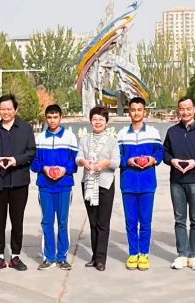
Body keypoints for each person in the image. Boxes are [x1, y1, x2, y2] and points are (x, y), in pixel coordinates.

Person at [0, 94, 38, 272]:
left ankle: (15, 256)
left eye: (9, 109)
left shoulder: (25, 128)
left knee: (17, 220)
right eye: (2, 109)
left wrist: (16, 160)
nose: (6, 112)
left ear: (15, 110)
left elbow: (31, 151)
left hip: (19, 181)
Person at [163, 97, 195, 271]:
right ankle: (182, 255)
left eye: (188, 108)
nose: (185, 112)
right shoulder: (172, 131)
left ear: (194, 109)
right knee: (179, 219)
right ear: (178, 110)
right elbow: (165, 153)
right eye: (181, 109)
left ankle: (193, 256)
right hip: (177, 181)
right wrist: (172, 161)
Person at [117, 97, 163, 271]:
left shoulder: (153, 132)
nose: (136, 113)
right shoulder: (122, 134)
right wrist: (127, 161)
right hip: (128, 184)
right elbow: (117, 157)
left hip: (147, 184)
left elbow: (160, 152)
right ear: (129, 111)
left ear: (145, 112)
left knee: (145, 221)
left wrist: (153, 159)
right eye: (133, 110)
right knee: (130, 221)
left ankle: (144, 253)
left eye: (139, 110)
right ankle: (133, 253)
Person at [31, 104, 79, 270]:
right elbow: (34, 163)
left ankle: (62, 257)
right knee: (47, 221)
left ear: (60, 118)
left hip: (64, 186)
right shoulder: (39, 138)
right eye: (49, 118)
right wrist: (45, 168)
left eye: (55, 117)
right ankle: (49, 257)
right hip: (45, 186)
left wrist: (64, 169)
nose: (52, 121)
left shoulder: (70, 137)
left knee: (63, 222)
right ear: (46, 118)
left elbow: (75, 162)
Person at [75, 106, 120, 271]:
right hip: (88, 184)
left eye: (101, 119)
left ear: (106, 122)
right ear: (90, 121)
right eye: (95, 119)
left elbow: (117, 162)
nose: (98, 122)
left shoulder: (112, 141)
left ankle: (101, 259)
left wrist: (105, 163)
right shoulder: (84, 139)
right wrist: (83, 162)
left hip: (105, 184)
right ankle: (94, 256)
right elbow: (78, 157)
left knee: (103, 223)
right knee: (93, 222)